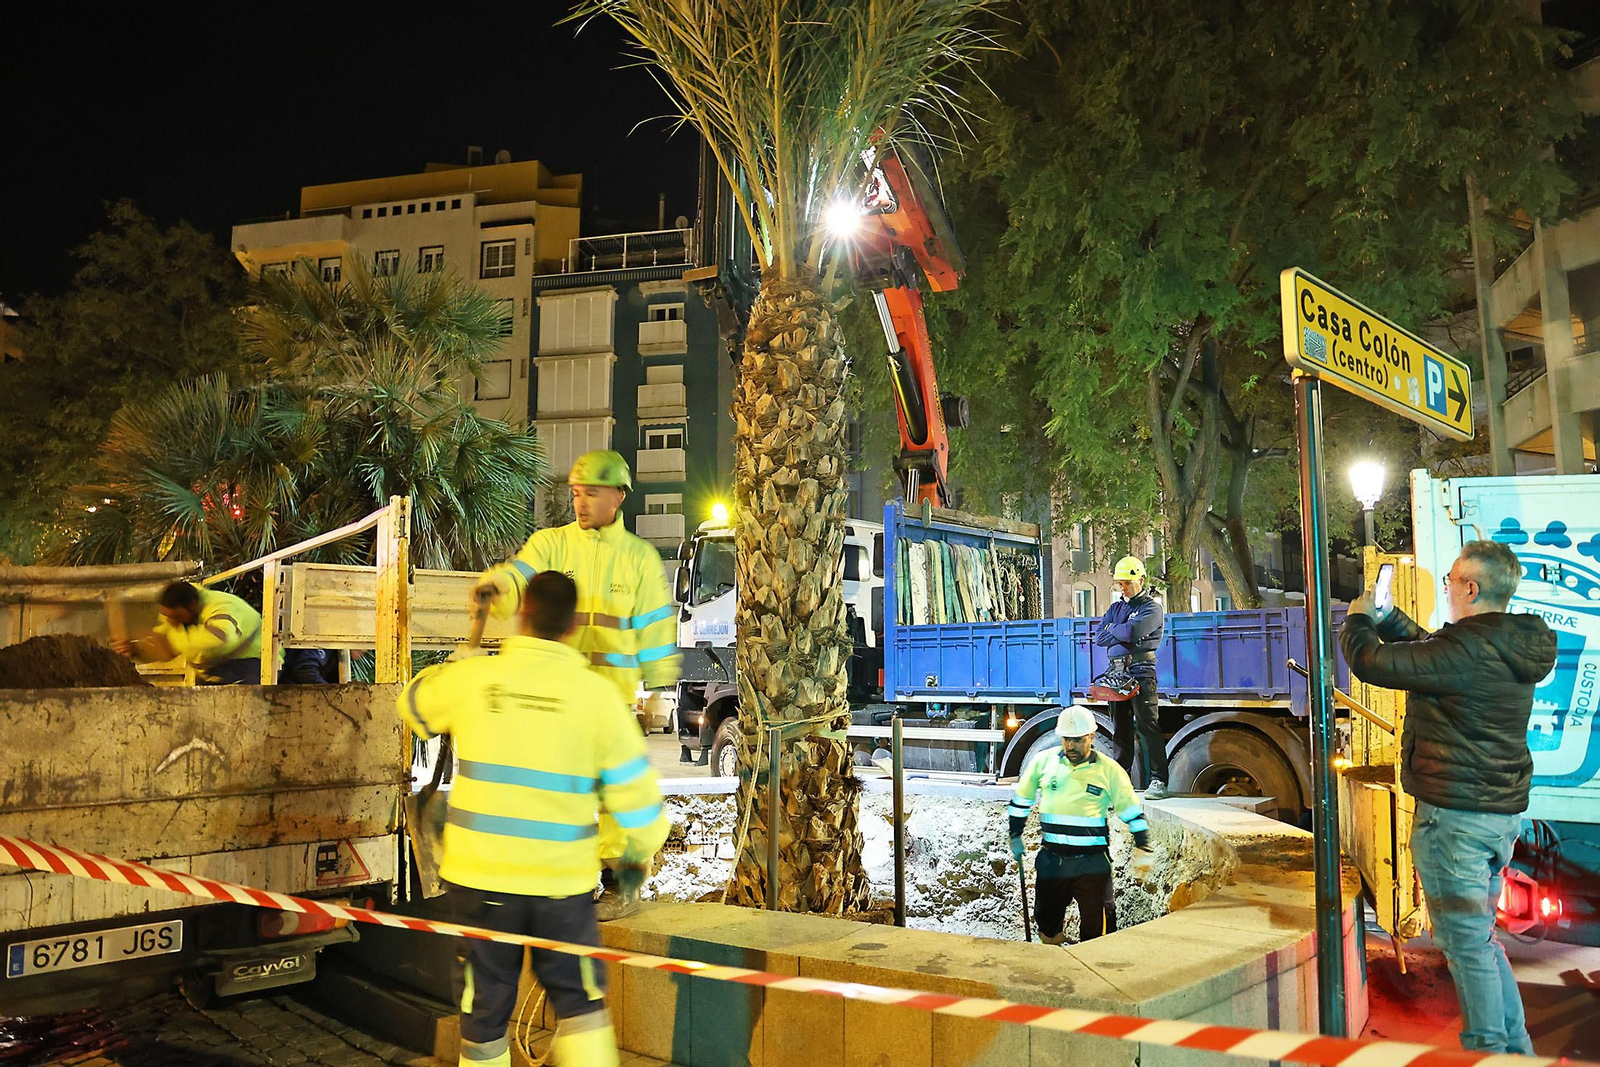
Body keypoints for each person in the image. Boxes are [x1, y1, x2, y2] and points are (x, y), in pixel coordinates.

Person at [398, 571, 667, 1067]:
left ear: (521, 616)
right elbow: (640, 801)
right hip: (562, 887)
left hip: (481, 885)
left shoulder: (476, 679)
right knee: (581, 1005)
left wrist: (465, 654)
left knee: (483, 1017)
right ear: (570, 628)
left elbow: (413, 705)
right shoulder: (596, 697)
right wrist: (635, 854)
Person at [1341, 539, 1555, 1056]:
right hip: (1494, 817)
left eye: (1451, 580)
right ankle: (1516, 1050)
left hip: (1455, 822)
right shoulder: (1501, 643)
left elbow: (1371, 663)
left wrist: (1359, 619)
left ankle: (1488, 1050)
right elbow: (1432, 651)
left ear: (1472, 588)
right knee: (1480, 943)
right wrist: (1392, 620)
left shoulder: (1465, 650)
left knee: (1467, 949)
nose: (1448, 589)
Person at [475, 450, 680, 920]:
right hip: (556, 693)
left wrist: (658, 691)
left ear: (618, 496)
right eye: (574, 493)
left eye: (590, 493)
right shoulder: (551, 544)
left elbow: (654, 628)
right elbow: (519, 575)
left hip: (610, 696)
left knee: (614, 794)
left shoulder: (639, 559)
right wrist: (496, 587)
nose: (580, 502)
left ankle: (620, 884)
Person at [1008, 705, 1157, 944]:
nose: (1071, 746)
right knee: (1047, 928)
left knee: (1098, 936)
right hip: (1052, 862)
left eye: (1077, 740)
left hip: (1092, 865)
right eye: (1066, 739)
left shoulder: (1109, 770)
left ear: (1091, 737)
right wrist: (1015, 833)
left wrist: (1143, 847)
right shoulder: (1043, 762)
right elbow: (1021, 800)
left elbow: (1130, 810)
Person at [1094, 556, 1170, 798]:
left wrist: (1116, 630)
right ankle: (1120, 781)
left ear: (1141, 579)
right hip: (1116, 672)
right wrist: (1121, 631)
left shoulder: (1152, 607)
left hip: (1140, 672)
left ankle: (1158, 781)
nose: (1123, 587)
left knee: (1148, 726)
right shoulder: (1116, 608)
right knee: (1120, 730)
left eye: (1127, 582)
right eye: (1120, 583)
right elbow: (1099, 636)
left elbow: (1133, 630)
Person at [114, 580, 266, 685]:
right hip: (221, 673)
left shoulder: (223, 607)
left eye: (177, 617)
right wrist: (136, 648)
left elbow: (218, 640)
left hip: (258, 663)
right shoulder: (178, 613)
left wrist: (168, 641)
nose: (173, 623)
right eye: (169, 617)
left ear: (193, 605)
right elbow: (164, 641)